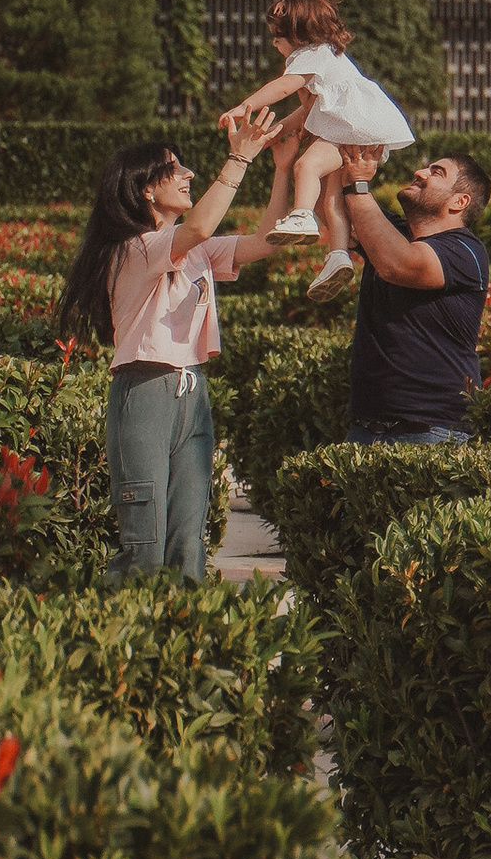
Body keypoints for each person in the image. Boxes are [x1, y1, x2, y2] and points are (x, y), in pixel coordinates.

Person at [56, 111, 305, 579]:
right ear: (147, 188)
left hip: (191, 394)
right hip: (145, 387)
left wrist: (282, 168)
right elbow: (199, 228)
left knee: (187, 542)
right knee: (145, 544)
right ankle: (118, 635)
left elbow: (268, 242)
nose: (188, 174)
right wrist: (238, 158)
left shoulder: (192, 250)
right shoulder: (135, 247)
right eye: (176, 168)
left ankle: (182, 642)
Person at [228, 0, 416, 299]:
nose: (275, 45)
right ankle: (337, 255)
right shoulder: (324, 58)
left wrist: (244, 106)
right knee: (332, 198)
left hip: (354, 127)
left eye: (278, 38)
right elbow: (306, 110)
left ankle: (302, 216)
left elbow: (283, 87)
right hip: (363, 129)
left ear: (298, 35)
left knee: (306, 166)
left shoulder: (310, 54)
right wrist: (276, 132)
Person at [328, 143, 491, 446]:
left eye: (436, 172)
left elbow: (398, 264)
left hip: (432, 430)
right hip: (365, 429)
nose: (419, 173)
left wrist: (359, 184)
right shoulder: (395, 232)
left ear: (459, 201)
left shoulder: (466, 252)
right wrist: (324, 149)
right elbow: (328, 211)